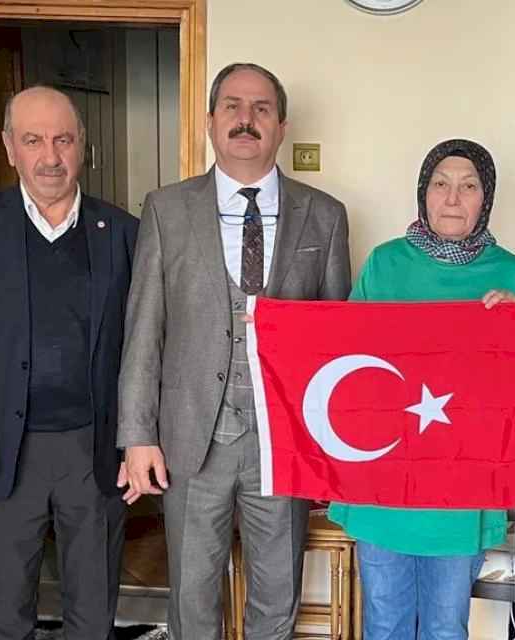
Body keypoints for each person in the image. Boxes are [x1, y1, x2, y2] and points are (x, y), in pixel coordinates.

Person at [116, 62, 351, 640]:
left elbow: (338, 342)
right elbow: (144, 329)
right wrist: (137, 436)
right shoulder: (166, 209)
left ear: (281, 127)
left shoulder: (325, 215)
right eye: (233, 107)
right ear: (210, 121)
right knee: (192, 594)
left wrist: (332, 447)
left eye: (261, 109)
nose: (246, 119)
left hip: (286, 441)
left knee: (277, 593)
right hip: (191, 438)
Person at [0, 86, 139, 640]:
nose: (50, 157)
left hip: (94, 448)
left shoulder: (123, 232)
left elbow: (145, 346)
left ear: (83, 146)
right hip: (6, 451)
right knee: (3, 610)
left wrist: (138, 439)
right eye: (33, 140)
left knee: (93, 609)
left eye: (63, 140)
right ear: (9, 147)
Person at [327, 138, 515, 640]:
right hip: (384, 481)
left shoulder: (510, 273)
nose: (453, 198)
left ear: (486, 198)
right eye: (441, 184)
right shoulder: (384, 264)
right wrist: (274, 330)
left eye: (468, 186)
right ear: (424, 193)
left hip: (462, 490)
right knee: (385, 625)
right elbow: (342, 359)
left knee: (445, 627)